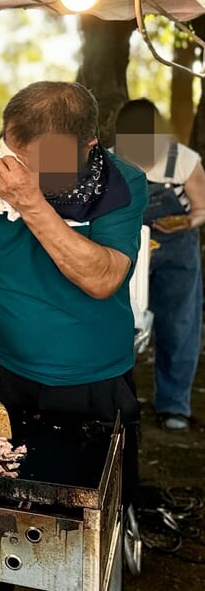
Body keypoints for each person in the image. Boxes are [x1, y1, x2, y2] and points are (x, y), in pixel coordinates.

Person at [0, 82, 146, 591]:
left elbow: (102, 278)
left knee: (67, 546)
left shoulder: (122, 184)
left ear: (88, 147)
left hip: (90, 389)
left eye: (35, 164)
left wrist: (30, 204)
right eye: (13, 154)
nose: (15, 171)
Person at [113, 98, 205, 433]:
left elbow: (202, 208)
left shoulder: (183, 159)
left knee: (179, 323)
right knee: (120, 317)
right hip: (126, 244)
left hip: (176, 247)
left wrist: (187, 222)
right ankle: (116, 396)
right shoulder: (110, 159)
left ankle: (173, 403)